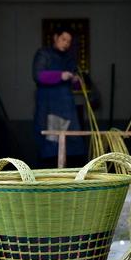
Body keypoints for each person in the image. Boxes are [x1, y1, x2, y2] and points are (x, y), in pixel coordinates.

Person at [32, 27, 86, 166]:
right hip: (49, 106)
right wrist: (60, 75)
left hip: (67, 108)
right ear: (55, 37)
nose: (66, 43)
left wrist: (75, 80)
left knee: (73, 145)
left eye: (69, 41)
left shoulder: (69, 59)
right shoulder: (44, 54)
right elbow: (38, 76)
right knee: (51, 145)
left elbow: (76, 84)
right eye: (63, 39)